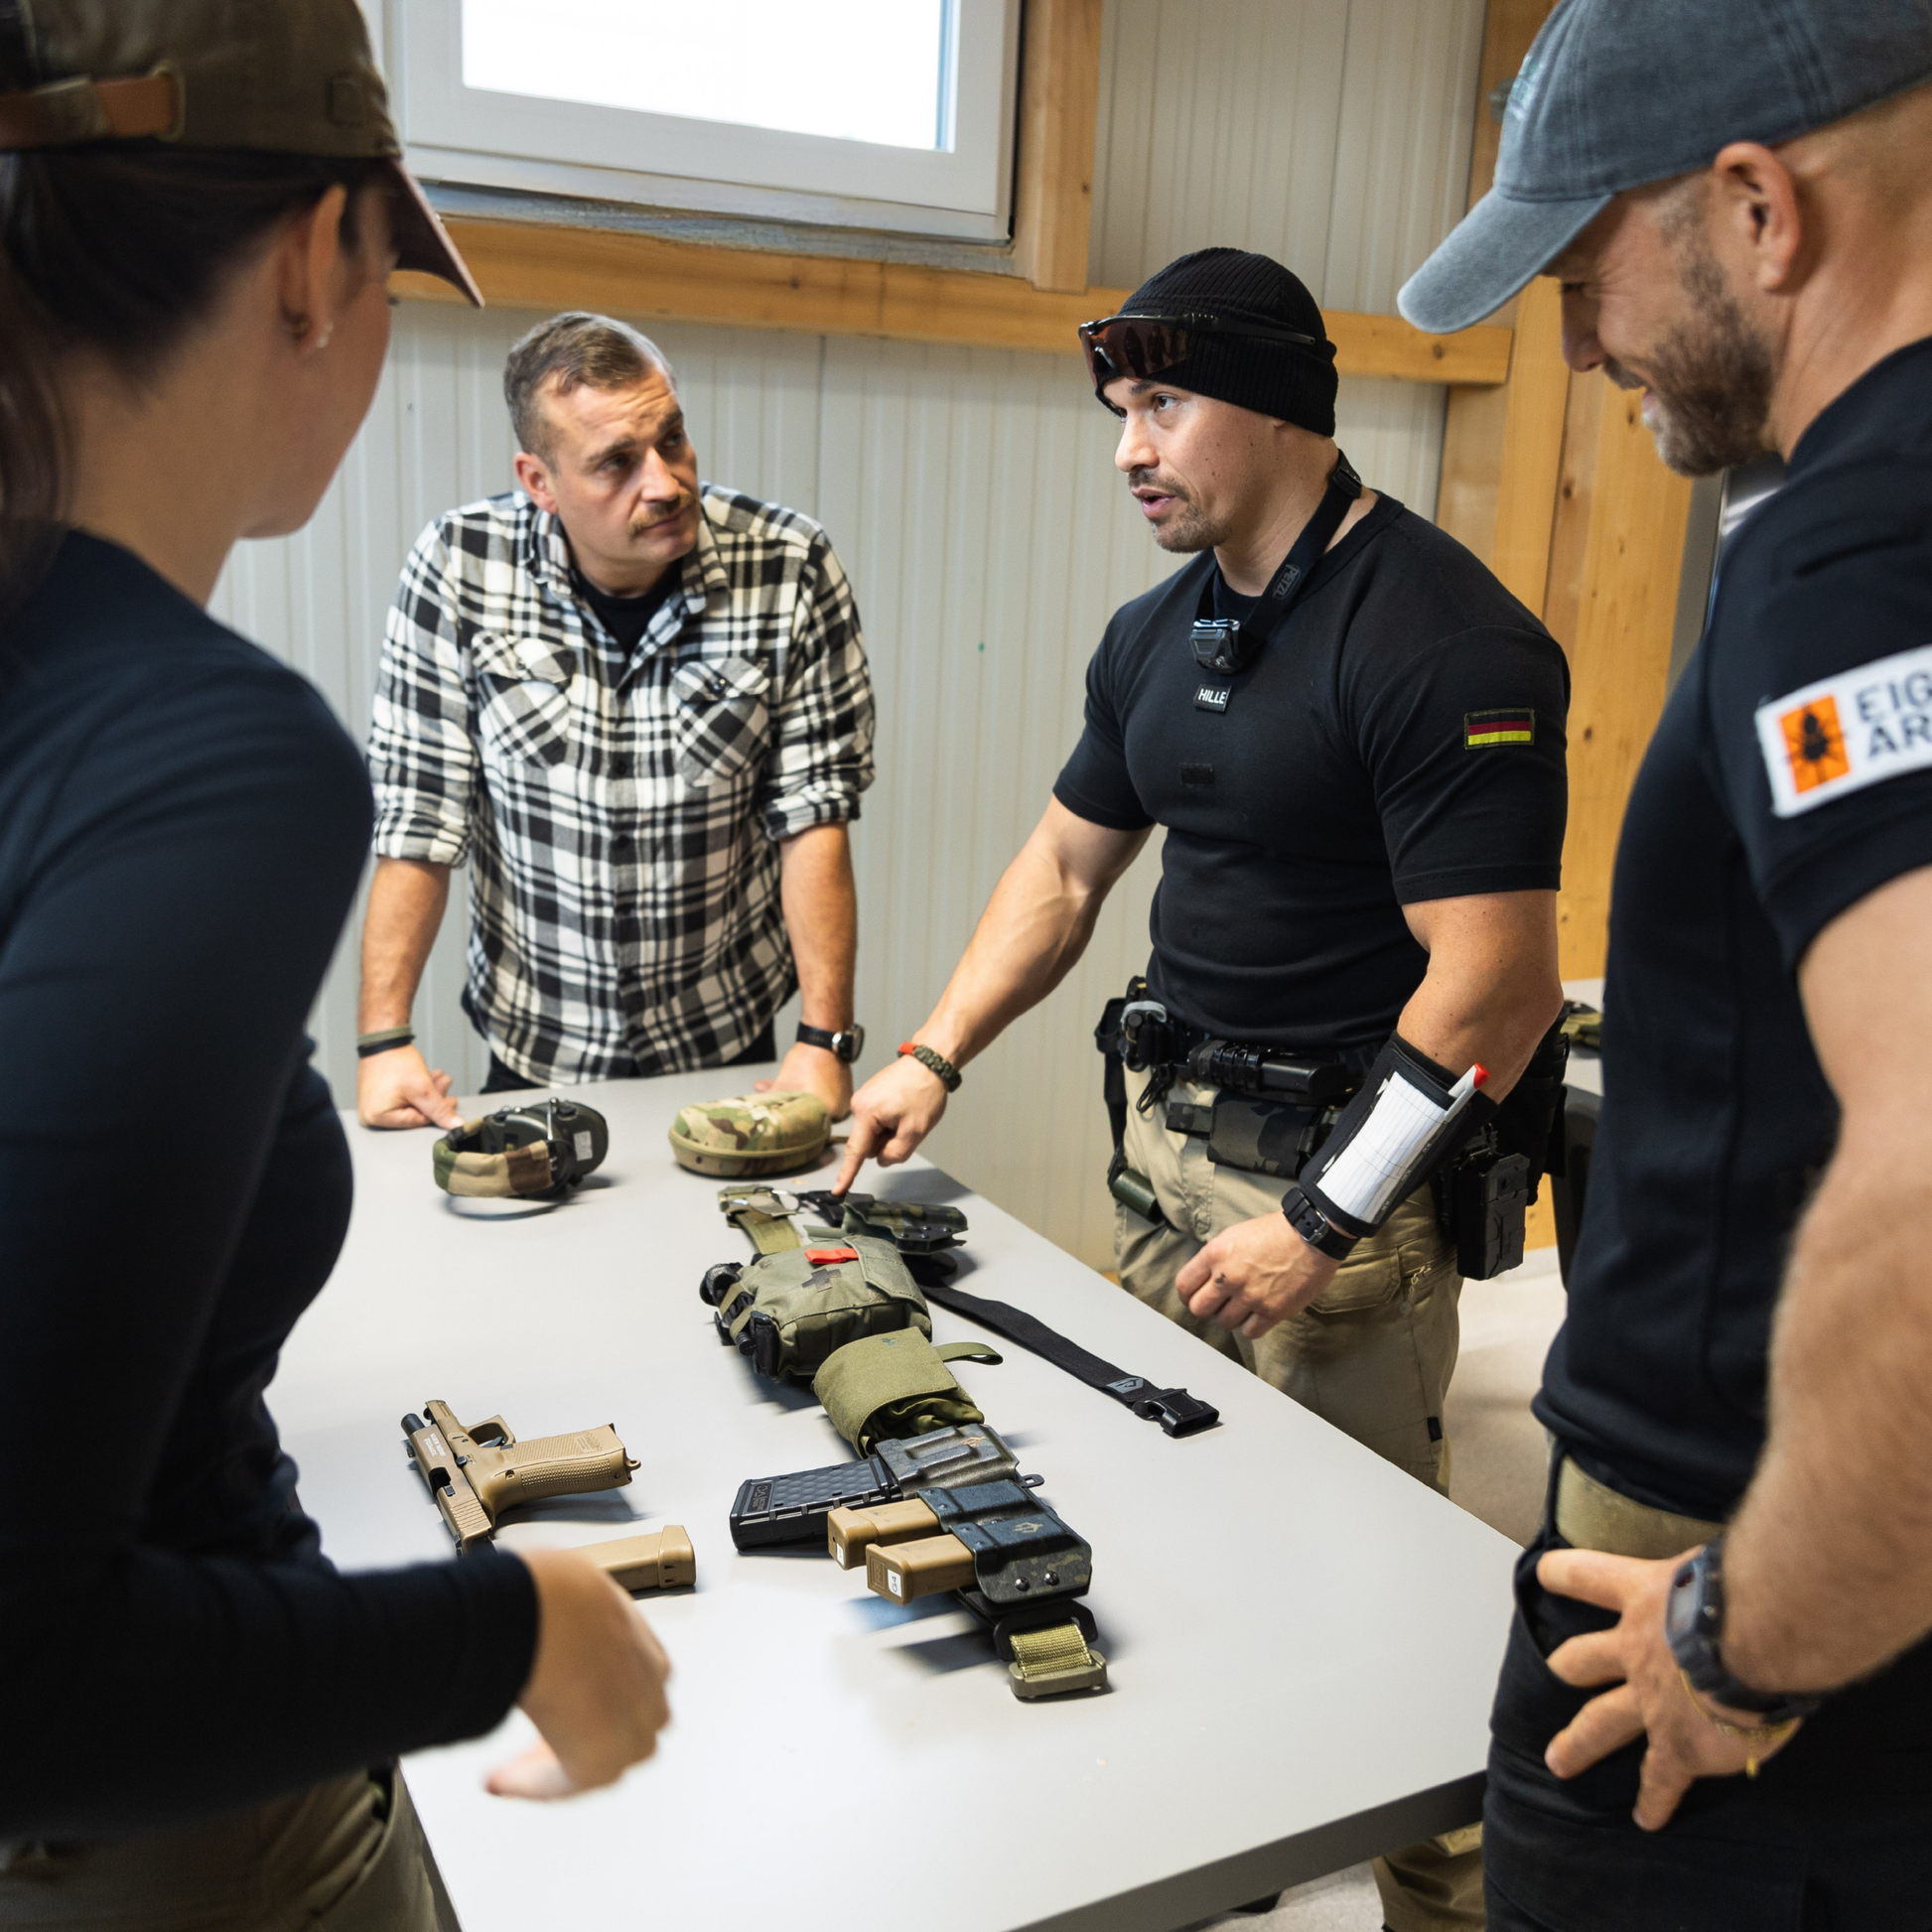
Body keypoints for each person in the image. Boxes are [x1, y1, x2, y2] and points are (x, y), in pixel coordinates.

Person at [0, 4, 670, 1924]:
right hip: (168, 1838)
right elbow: (25, 1667)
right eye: (388, 271)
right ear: (313, 261)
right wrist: (511, 1626)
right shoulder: (194, 748)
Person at [837, 247, 1571, 1932]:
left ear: (1278, 408)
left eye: (1161, 405)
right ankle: (1225, 1860)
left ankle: (1446, 1904)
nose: (1128, 448)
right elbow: (1064, 869)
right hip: (1163, 1165)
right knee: (1166, 1536)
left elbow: (1500, 986)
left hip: (1340, 1203)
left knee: (1384, 1610)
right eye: (1120, 408)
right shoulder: (1156, 635)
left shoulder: (1443, 640)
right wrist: (933, 1051)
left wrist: (1320, 1219)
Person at [1397, 0, 1932, 1923]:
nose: (1575, 344)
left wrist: (1740, 1640)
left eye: (1584, 271)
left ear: (1760, 212)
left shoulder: (1854, 554)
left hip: (1753, 1585)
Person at [355, 310, 875, 1132]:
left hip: (724, 1035)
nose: (663, 482)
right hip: (535, 1042)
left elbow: (813, 815)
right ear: (540, 481)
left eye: (672, 440)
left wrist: (824, 1041)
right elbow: (420, 815)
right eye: (616, 463)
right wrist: (384, 1042)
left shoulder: (790, 566)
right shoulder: (459, 567)